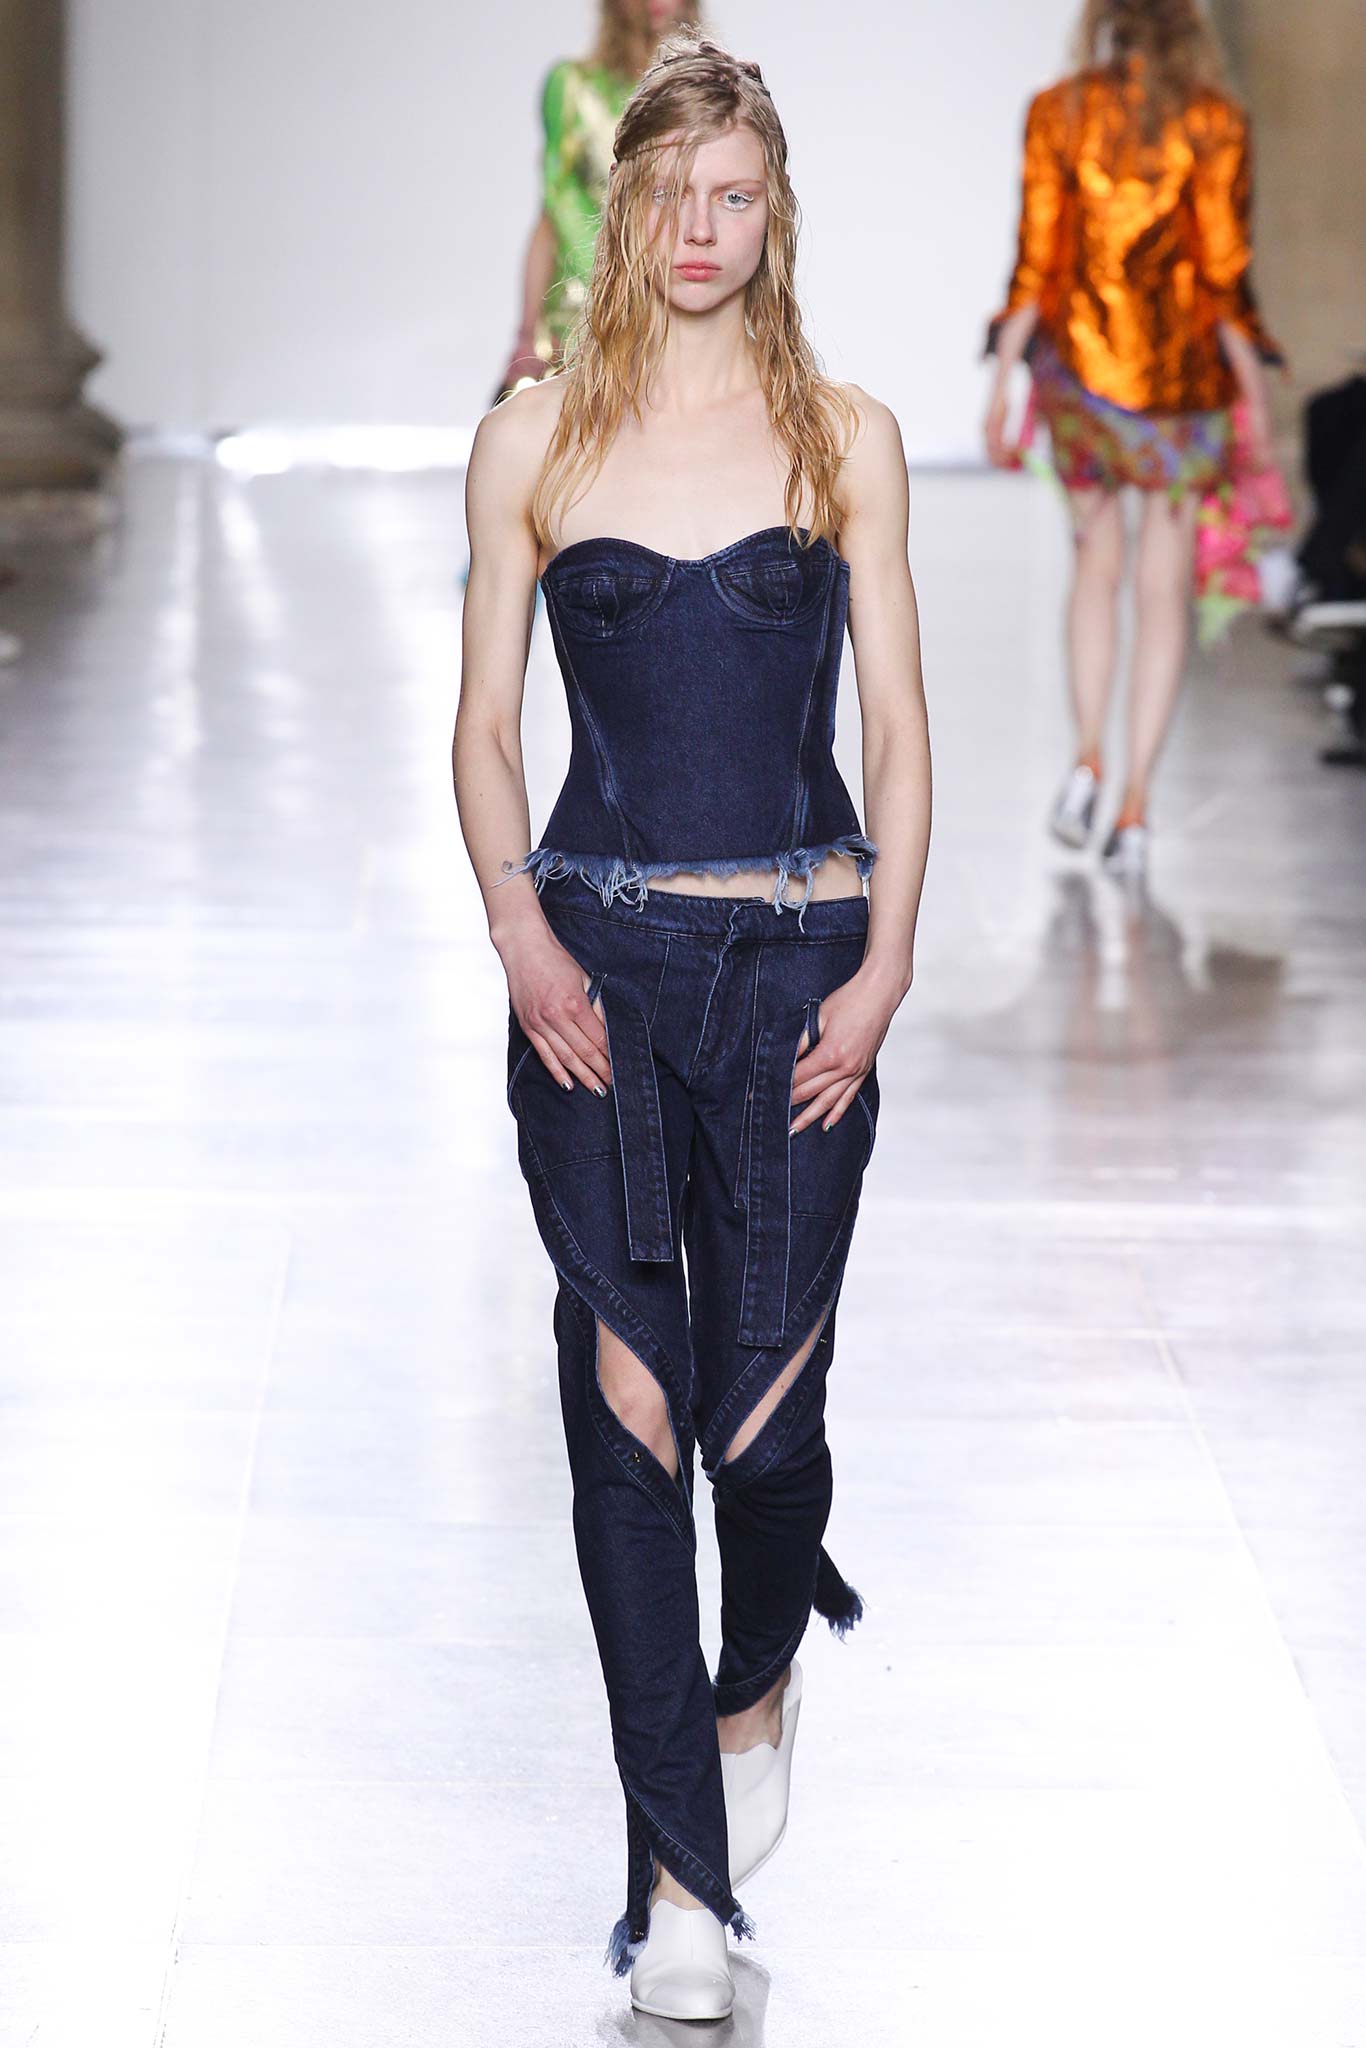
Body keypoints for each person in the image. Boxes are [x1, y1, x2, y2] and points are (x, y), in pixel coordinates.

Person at [455, 29, 931, 2022]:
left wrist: (886, 965)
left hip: (803, 968)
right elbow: (486, 730)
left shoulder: (844, 436)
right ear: (621, 206)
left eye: (735, 196)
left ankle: (752, 1693)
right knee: (629, 1404)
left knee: (769, 1425)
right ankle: (672, 1879)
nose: (702, 229)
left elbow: (895, 727)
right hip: (599, 977)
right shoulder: (534, 441)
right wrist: (517, 929)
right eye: (672, 195)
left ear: (774, 212)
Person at [983, 0, 1286, 880]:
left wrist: (1001, 383)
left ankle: (1087, 758)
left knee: (1096, 569)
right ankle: (1136, 807)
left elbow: (1036, 261)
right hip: (1184, 390)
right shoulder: (1215, 121)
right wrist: (1256, 394)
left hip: (1081, 381)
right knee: (1163, 592)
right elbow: (1225, 272)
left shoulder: (1058, 111)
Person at [497, 0, 699, 400]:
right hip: (578, 312)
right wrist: (526, 335)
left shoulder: (703, 102)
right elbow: (553, 215)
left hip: (670, 310)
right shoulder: (572, 86)